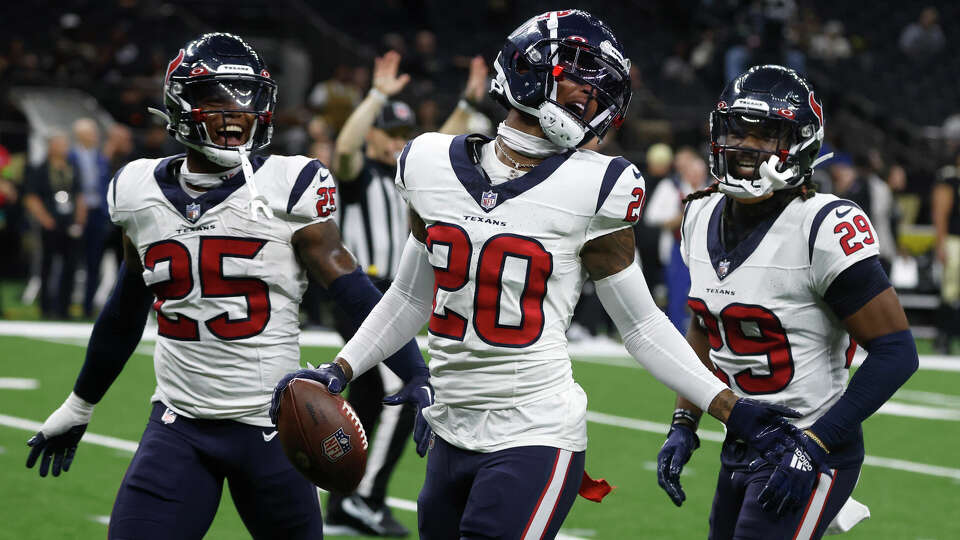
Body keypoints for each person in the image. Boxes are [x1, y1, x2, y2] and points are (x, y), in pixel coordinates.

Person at [274, 11, 813, 539]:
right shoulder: (429, 163)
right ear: (528, 65)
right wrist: (340, 372)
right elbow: (410, 298)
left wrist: (731, 409)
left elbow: (642, 326)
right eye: (580, 74)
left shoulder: (598, 185)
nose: (592, 95)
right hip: (449, 431)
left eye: (602, 87)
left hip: (535, 432)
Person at [25, 33, 428, 540]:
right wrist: (79, 405)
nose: (237, 115)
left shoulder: (290, 184)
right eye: (218, 100)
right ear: (181, 104)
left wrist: (412, 369)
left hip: (275, 428)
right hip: (178, 423)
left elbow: (349, 287)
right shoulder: (137, 191)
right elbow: (126, 310)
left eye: (248, 100)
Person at [655, 65, 918, 540]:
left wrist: (815, 443)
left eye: (767, 134)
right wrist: (684, 421)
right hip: (743, 437)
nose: (746, 146)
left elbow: (897, 351)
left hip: (814, 442)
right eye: (738, 130)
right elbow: (702, 325)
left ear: (800, 144)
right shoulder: (698, 212)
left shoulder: (822, 226)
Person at [322, 49, 488, 537]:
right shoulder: (357, 176)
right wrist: (374, 96)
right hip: (363, 292)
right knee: (400, 389)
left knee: (373, 399)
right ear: (374, 129)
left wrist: (466, 102)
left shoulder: (411, 173)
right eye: (389, 133)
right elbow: (345, 149)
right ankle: (362, 498)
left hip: (396, 294)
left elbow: (439, 140)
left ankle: (342, 493)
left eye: (402, 135)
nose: (397, 142)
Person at [644, 147, 709, 331]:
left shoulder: (711, 189)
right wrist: (677, 218)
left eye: (700, 173)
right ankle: (677, 334)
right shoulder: (672, 187)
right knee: (677, 295)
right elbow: (652, 217)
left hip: (705, 250)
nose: (697, 177)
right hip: (678, 247)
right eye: (693, 173)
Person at [23, 131, 86, 319]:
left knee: (70, 265)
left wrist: (80, 219)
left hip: (70, 223)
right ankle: (46, 307)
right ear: (51, 147)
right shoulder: (39, 168)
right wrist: (44, 218)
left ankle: (64, 307)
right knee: (47, 265)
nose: (63, 148)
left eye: (65, 144)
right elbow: (31, 196)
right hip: (50, 223)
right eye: (60, 144)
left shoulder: (72, 168)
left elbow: (80, 195)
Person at [68, 117, 112, 317]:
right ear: (81, 135)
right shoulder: (71, 157)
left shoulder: (100, 158)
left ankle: (87, 307)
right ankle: (64, 306)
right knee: (70, 260)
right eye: (91, 132)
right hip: (75, 214)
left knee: (94, 262)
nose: (95, 136)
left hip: (97, 212)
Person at [932, 152, 960, 354]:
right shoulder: (950, 180)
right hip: (953, 240)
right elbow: (940, 213)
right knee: (949, 291)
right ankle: (942, 337)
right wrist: (941, 244)